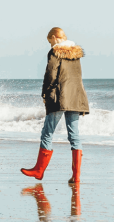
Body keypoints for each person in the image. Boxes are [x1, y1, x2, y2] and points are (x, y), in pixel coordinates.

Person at [21, 27, 89, 183]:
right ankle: (76, 177)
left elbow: (51, 74)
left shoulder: (55, 52)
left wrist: (45, 92)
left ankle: (39, 170)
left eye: (49, 40)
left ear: (54, 37)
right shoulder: (75, 54)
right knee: (74, 135)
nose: (49, 44)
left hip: (59, 97)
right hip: (76, 97)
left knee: (47, 132)